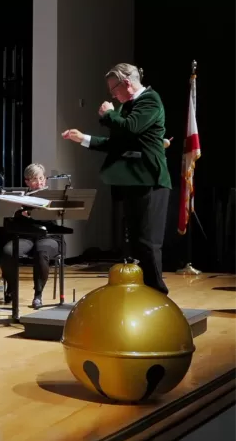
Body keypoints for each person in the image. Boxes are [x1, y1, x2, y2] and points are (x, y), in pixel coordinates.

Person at [62, 63, 170, 294]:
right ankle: (144, 292)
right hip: (131, 181)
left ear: (127, 83)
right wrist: (83, 138)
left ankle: (158, 293)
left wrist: (108, 113)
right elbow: (116, 143)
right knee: (134, 243)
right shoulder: (127, 107)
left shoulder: (150, 100)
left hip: (150, 179)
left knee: (148, 243)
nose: (112, 94)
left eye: (114, 88)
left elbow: (130, 128)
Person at [0, 164, 60, 308]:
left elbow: (52, 219)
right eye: (34, 179)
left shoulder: (51, 196)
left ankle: (38, 294)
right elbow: (10, 219)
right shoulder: (21, 197)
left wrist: (37, 212)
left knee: (42, 251)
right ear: (27, 182)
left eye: (41, 178)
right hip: (26, 237)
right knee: (8, 252)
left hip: (48, 236)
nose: (39, 182)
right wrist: (18, 212)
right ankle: (12, 287)